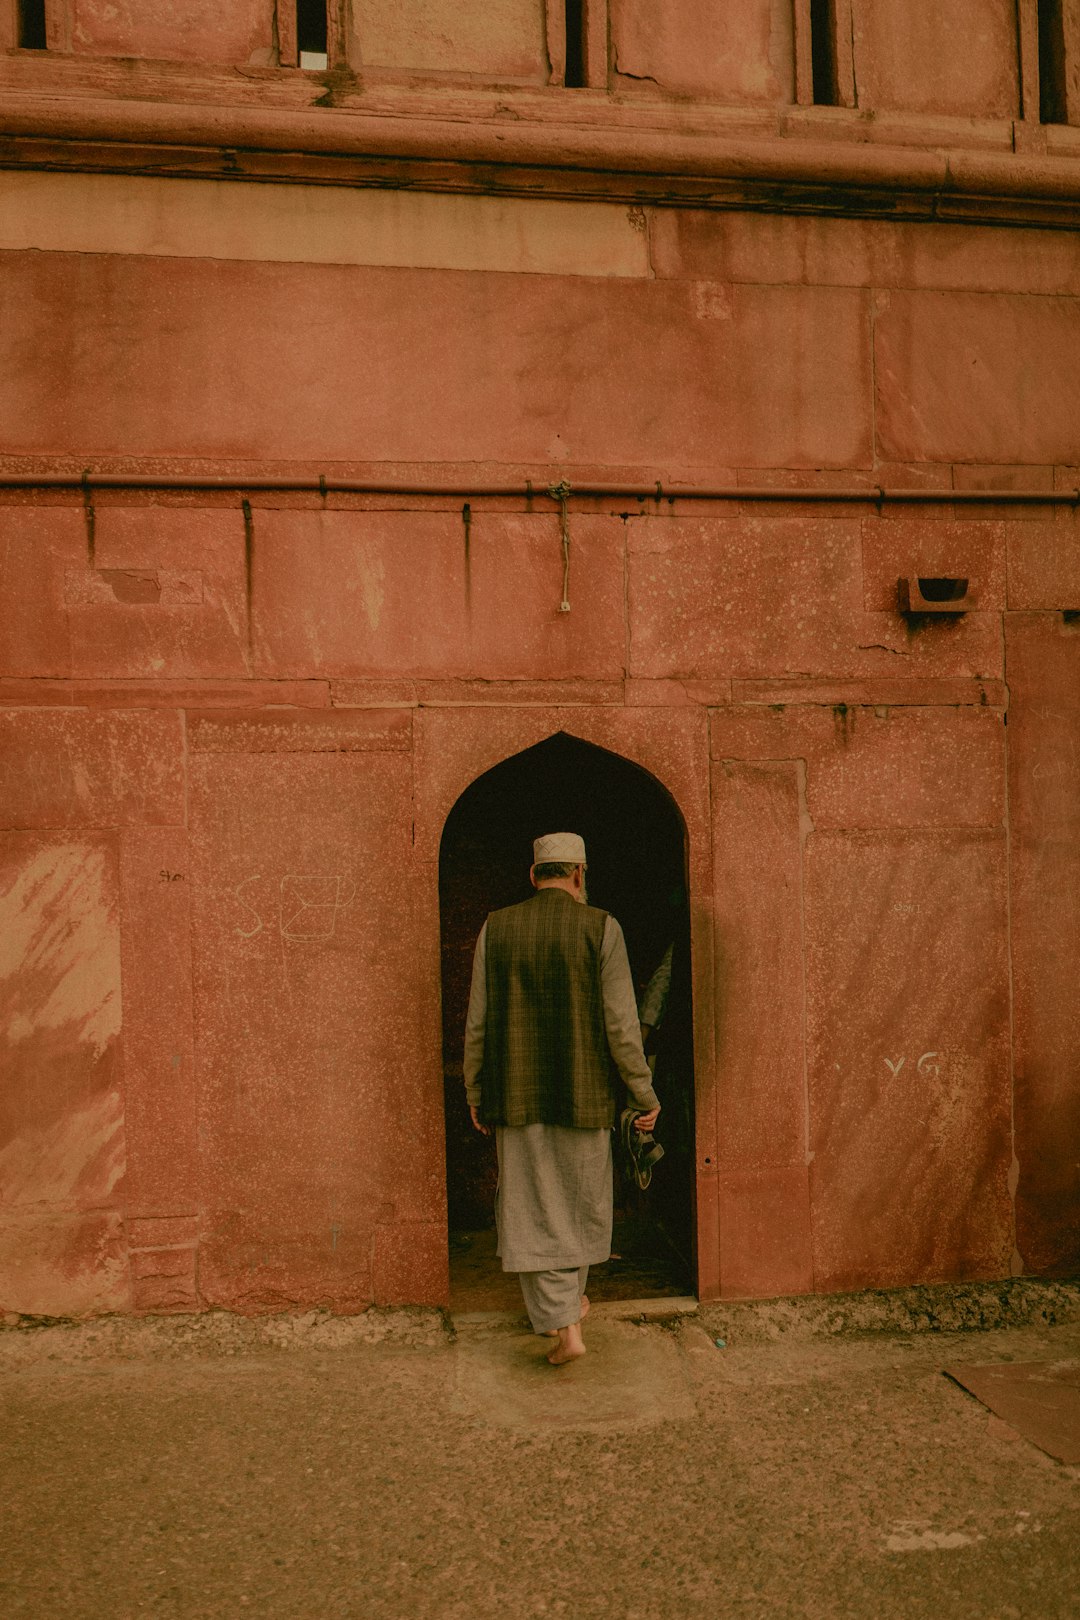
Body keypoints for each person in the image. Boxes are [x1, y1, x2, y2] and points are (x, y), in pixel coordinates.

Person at [463, 832, 660, 1366]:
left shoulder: (495, 927)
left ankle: (563, 1317)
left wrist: (475, 1089)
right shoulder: (602, 927)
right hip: (586, 1095)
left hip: (516, 1092)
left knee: (531, 1206)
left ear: (534, 875)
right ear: (578, 875)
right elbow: (622, 1026)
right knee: (578, 1203)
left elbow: (477, 1023)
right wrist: (644, 1093)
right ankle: (568, 1324)